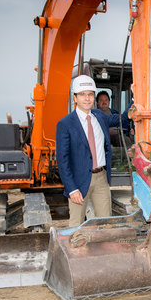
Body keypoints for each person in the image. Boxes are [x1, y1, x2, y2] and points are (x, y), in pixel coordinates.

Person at [56, 75, 122, 227]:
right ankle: (75, 251)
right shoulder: (65, 124)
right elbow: (63, 160)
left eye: (90, 94)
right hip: (78, 181)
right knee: (76, 226)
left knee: (106, 224)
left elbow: (122, 119)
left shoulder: (100, 116)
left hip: (101, 178)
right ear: (75, 97)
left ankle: (103, 250)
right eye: (83, 94)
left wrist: (135, 97)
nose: (87, 98)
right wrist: (72, 189)